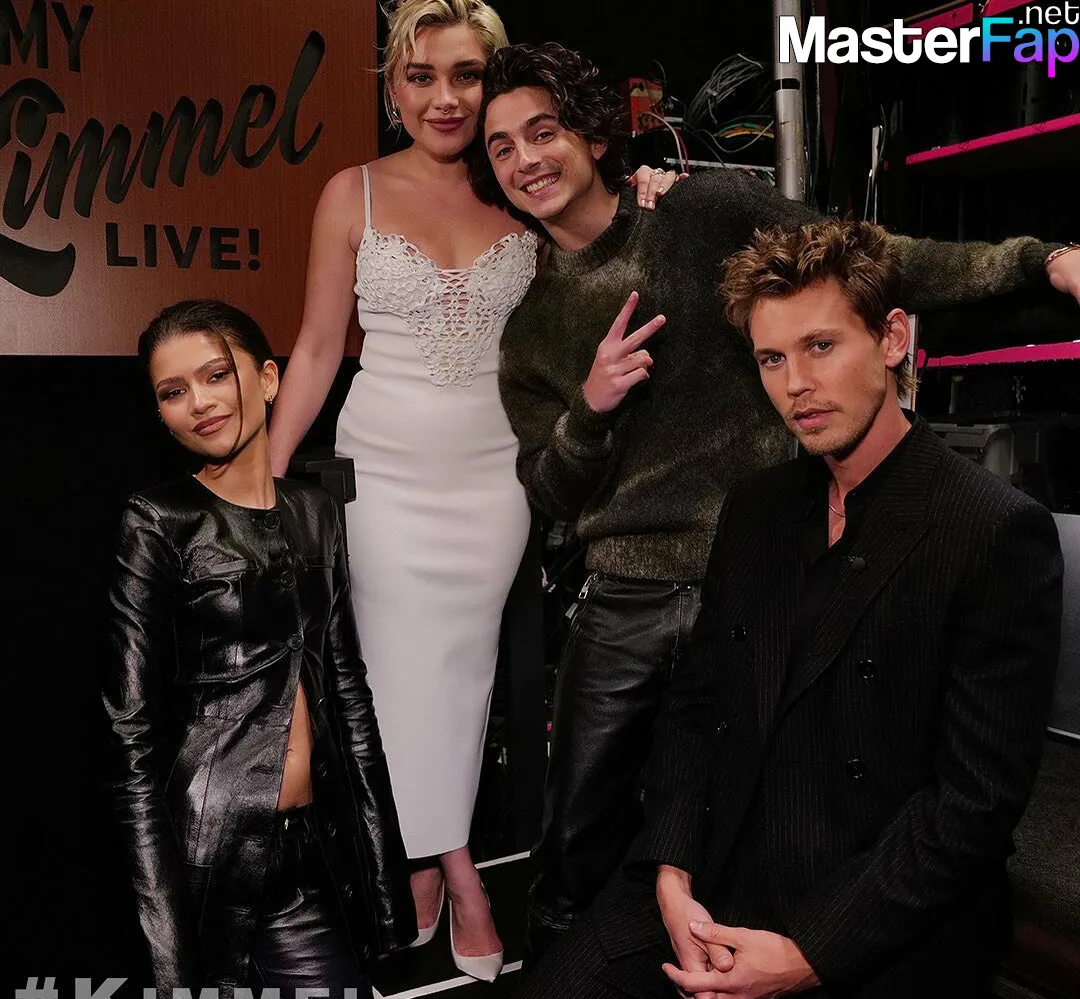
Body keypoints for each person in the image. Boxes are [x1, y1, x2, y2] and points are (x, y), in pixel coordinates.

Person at [473, 40, 1080, 959]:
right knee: (575, 850)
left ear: (593, 135)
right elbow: (550, 494)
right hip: (628, 598)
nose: (526, 159)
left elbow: (870, 264)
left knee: (777, 822)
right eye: (502, 147)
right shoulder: (528, 332)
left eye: (543, 131)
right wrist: (590, 410)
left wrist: (1040, 261)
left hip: (764, 582)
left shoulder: (701, 212)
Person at [265, 0, 674, 979]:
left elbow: (606, 263)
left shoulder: (523, 191)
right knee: (396, 673)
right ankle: (456, 871)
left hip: (494, 475)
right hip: (381, 474)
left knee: (459, 674)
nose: (444, 97)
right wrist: (263, 481)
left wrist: (655, 200)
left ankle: (426, 861)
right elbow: (317, 349)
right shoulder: (352, 194)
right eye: (422, 76)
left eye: (466, 75)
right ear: (393, 88)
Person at [104, 300, 415, 995]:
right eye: (173, 391)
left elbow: (347, 693)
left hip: (316, 852)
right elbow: (130, 736)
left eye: (216, 374)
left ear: (268, 379)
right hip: (212, 859)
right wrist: (166, 945)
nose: (199, 402)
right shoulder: (158, 522)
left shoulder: (316, 510)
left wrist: (382, 878)